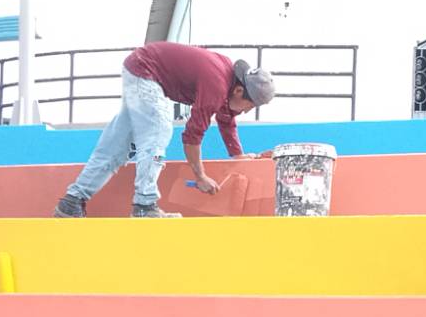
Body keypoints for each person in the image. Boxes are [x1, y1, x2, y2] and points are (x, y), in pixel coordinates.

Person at [53, 42, 276, 218]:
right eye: (250, 106)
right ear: (239, 91)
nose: (246, 111)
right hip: (146, 73)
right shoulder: (217, 85)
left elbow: (226, 118)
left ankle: (72, 201)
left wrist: (237, 155)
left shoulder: (228, 81)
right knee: (158, 132)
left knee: (116, 147)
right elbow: (192, 137)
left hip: (138, 68)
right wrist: (200, 176)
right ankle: (145, 204)